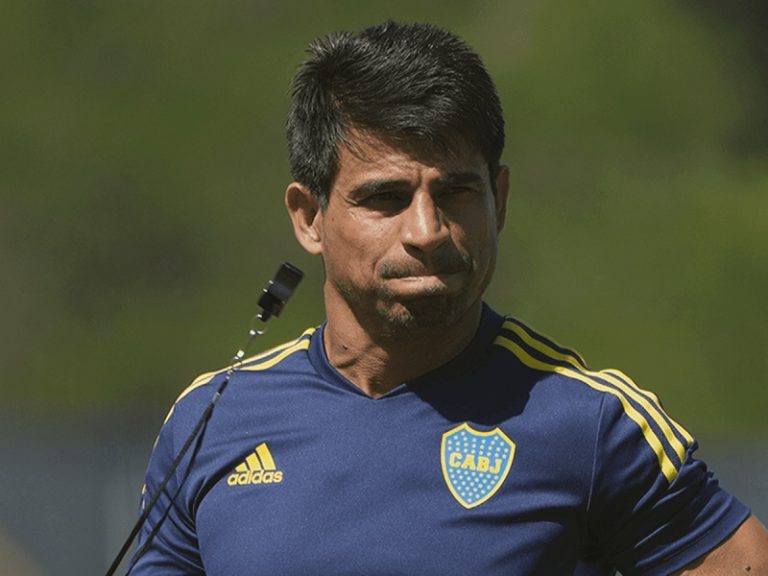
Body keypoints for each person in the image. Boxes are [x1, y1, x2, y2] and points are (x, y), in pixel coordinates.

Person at [130, 21, 768, 575]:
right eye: (385, 197)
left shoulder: (593, 424)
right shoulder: (210, 422)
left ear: (500, 200)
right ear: (309, 217)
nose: (427, 230)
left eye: (456, 192)